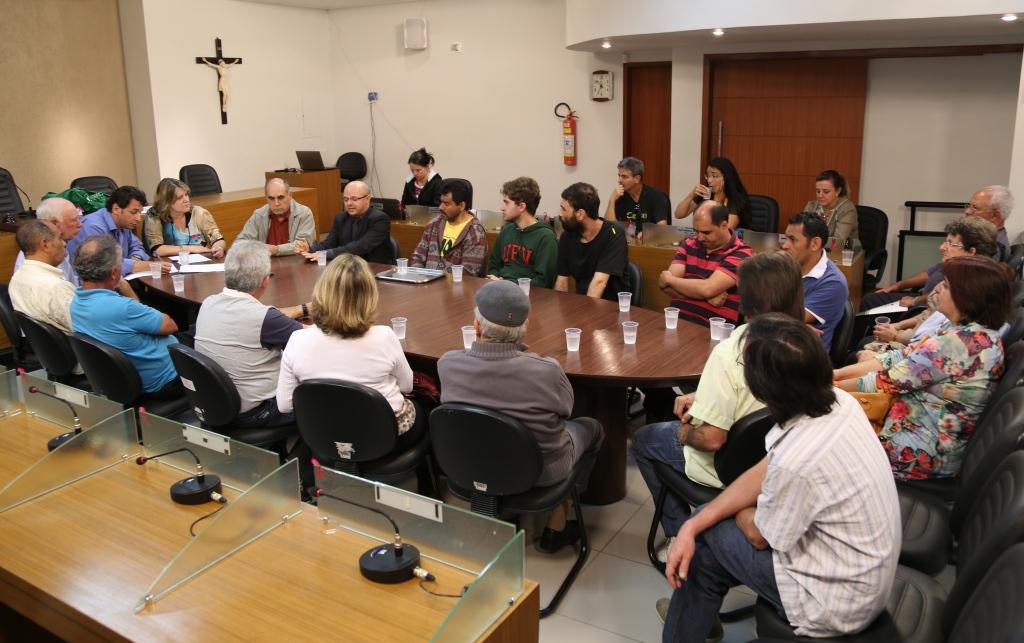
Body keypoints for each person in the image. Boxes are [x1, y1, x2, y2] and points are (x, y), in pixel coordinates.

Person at [661, 314, 900, 641]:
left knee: (706, 543)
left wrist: (706, 520)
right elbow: (766, 468)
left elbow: (760, 535)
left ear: (761, 388)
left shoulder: (798, 460)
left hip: (834, 603)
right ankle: (695, 616)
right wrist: (694, 523)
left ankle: (684, 627)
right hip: (865, 575)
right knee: (705, 531)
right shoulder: (840, 403)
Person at [634, 252, 805, 562]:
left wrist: (685, 432)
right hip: (778, 461)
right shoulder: (808, 344)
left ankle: (680, 533)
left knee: (646, 440)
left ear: (747, 302)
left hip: (728, 464)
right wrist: (703, 397)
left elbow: (713, 439)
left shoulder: (731, 351)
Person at [437, 279, 604, 552]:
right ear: (524, 330)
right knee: (592, 427)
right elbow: (566, 410)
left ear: (476, 327)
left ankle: (501, 509)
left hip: (469, 467)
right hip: (540, 473)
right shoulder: (546, 371)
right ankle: (559, 518)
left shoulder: (447, 364)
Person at [835, 255, 1010, 480]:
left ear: (967, 296)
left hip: (921, 449)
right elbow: (899, 356)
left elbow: (884, 382)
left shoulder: (957, 343)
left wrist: (829, 386)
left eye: (946, 285)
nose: (939, 289)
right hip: (922, 429)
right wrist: (835, 375)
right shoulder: (967, 329)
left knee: (826, 439)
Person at [276, 254, 424, 451]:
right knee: (426, 411)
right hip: (382, 436)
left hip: (324, 433)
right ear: (369, 296)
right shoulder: (384, 336)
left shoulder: (297, 340)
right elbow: (406, 386)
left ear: (321, 293)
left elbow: (285, 406)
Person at [195, 241, 310, 429]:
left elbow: (261, 317)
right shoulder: (264, 319)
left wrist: (300, 310)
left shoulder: (208, 303)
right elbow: (315, 340)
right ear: (265, 280)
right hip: (258, 411)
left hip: (217, 404)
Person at [70, 235, 182, 398]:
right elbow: (170, 325)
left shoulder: (76, 303)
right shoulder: (123, 308)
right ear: (115, 273)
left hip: (124, 379)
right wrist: (127, 288)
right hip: (165, 381)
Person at [861, 216, 997, 311]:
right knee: (872, 298)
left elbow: (935, 308)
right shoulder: (955, 264)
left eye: (950, 243)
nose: (942, 247)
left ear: (971, 251)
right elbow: (929, 274)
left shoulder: (969, 279)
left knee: (869, 304)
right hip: (920, 302)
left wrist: (915, 302)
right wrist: (898, 285)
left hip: (921, 309)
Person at [658, 201, 752, 326]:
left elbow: (708, 288)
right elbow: (664, 286)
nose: (700, 237)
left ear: (724, 225)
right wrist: (706, 297)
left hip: (713, 330)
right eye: (696, 231)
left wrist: (670, 280)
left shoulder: (741, 253)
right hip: (676, 321)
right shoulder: (689, 243)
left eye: (706, 232)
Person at [67, 185, 169, 278]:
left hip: (117, 279)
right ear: (116, 209)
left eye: (140, 212)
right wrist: (149, 266)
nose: (138, 218)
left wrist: (136, 258)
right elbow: (103, 264)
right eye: (134, 212)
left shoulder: (124, 223)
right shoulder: (93, 226)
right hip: (90, 287)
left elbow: (136, 246)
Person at [781, 212, 849, 351]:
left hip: (803, 358)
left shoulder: (833, 283)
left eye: (792, 239)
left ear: (814, 243)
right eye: (785, 238)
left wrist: (790, 323)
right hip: (778, 342)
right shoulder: (788, 265)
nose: (785, 246)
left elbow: (780, 318)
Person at [555, 182, 629, 300]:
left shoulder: (614, 233)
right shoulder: (567, 236)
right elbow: (562, 280)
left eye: (563, 209)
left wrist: (586, 316)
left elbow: (599, 283)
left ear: (580, 214)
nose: (558, 213)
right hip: (582, 305)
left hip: (611, 308)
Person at [295, 181, 392, 264]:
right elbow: (328, 244)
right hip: (347, 268)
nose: (349, 203)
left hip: (375, 269)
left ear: (367, 199)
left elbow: (360, 246)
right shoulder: (341, 218)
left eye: (354, 199)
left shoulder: (380, 219)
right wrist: (310, 249)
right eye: (346, 199)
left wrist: (325, 254)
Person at [487, 176, 558, 287]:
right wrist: (494, 280)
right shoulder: (507, 230)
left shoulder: (546, 237)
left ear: (521, 206)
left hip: (530, 296)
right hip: (499, 289)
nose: (502, 207)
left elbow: (544, 281)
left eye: (506, 202)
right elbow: (493, 266)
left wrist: (506, 284)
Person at [409, 178, 488, 275]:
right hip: (426, 285)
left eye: (446, 204)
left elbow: (468, 273)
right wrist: (420, 278)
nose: (440, 207)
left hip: (454, 288)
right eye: (441, 202)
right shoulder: (434, 224)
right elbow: (417, 257)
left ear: (462, 205)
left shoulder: (475, 233)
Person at [9, 220, 76, 334]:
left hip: (42, 348)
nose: (64, 243)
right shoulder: (56, 287)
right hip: (70, 349)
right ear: (45, 244)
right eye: (60, 238)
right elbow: (87, 329)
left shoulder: (16, 278)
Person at [143, 178, 227, 259]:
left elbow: (217, 239)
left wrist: (218, 247)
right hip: (170, 266)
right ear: (167, 202)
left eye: (186, 195)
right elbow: (157, 250)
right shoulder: (154, 215)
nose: (186, 200)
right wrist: (191, 249)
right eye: (180, 198)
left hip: (201, 263)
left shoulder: (199, 213)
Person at [236, 178, 316, 257]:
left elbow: (302, 245)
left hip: (296, 263)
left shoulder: (304, 213)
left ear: (290, 195)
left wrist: (276, 249)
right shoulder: (259, 215)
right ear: (266, 198)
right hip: (266, 264)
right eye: (271, 198)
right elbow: (240, 242)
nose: (276, 203)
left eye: (280, 197)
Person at [13, 197, 81, 285]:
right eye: (74, 220)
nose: (80, 224)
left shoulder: (56, 245)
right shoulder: (40, 257)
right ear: (54, 223)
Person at [674, 156, 751, 230]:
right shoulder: (706, 194)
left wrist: (717, 202)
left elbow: (723, 231)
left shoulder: (736, 200)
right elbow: (679, 215)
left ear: (727, 177)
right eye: (708, 176)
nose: (710, 180)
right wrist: (691, 195)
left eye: (715, 176)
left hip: (729, 242)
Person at [603, 157, 670, 237]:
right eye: (619, 176)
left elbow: (662, 227)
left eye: (624, 177)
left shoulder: (656, 196)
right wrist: (612, 200)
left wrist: (647, 234)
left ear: (637, 179)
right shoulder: (619, 196)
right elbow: (609, 228)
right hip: (626, 244)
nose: (619, 180)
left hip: (650, 244)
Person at [802, 169, 858, 250]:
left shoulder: (847, 209)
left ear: (838, 191)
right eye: (818, 191)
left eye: (826, 191)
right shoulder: (812, 206)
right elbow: (802, 232)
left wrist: (811, 241)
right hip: (816, 250)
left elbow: (838, 242)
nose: (820, 195)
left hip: (845, 253)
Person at [965, 184, 1013, 262]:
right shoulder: (983, 238)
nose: (967, 211)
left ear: (994, 216)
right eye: (969, 206)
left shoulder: (991, 248)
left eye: (975, 207)